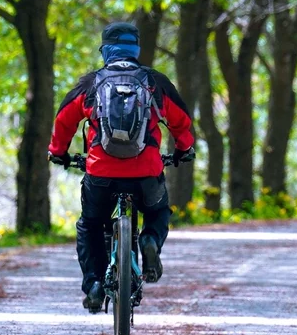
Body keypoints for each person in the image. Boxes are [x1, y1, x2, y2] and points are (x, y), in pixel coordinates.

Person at [47, 22, 195, 313]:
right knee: (157, 210)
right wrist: (183, 150)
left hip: (101, 174)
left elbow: (64, 121)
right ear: (136, 49)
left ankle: (94, 284)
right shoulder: (155, 82)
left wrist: (58, 153)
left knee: (89, 225)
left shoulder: (90, 83)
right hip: (146, 174)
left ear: (106, 50)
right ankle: (150, 239)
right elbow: (181, 122)